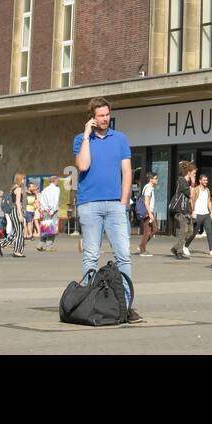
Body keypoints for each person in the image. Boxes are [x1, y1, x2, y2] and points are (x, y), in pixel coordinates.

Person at [73, 97, 140, 321]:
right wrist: (85, 136)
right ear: (92, 117)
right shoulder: (81, 139)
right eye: (100, 115)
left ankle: (125, 306)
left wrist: (123, 201)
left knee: (123, 256)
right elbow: (83, 165)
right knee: (91, 256)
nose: (105, 119)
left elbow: (127, 172)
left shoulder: (120, 139)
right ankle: (88, 304)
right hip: (89, 205)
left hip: (115, 205)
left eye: (107, 115)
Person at [170, 161, 195, 260]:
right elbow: (191, 195)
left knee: (190, 231)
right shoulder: (181, 181)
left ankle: (175, 248)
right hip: (179, 210)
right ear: (188, 172)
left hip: (186, 210)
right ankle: (179, 252)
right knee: (184, 230)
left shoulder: (185, 182)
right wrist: (193, 183)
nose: (194, 175)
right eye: (193, 173)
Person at [0, 174, 27, 258]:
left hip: (13, 211)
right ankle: (17, 251)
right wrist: (20, 215)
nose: (24, 181)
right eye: (23, 179)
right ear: (20, 179)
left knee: (15, 232)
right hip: (16, 211)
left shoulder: (13, 188)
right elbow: (18, 202)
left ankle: (1, 244)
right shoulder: (18, 189)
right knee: (19, 232)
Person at [191, 173, 212, 256]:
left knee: (209, 231)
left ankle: (211, 249)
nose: (206, 182)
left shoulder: (207, 190)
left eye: (207, 180)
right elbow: (192, 200)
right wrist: (192, 211)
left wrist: (211, 212)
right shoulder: (196, 189)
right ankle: (185, 246)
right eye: (204, 180)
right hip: (198, 213)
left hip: (206, 213)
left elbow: (209, 201)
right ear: (200, 181)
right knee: (193, 232)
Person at [137, 172, 159, 256]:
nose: (157, 180)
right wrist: (150, 213)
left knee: (154, 229)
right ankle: (142, 249)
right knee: (148, 231)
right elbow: (146, 202)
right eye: (155, 178)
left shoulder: (149, 188)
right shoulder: (148, 188)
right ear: (151, 179)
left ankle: (142, 245)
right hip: (147, 212)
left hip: (149, 211)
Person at [37, 176, 61, 251]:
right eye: (58, 180)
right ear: (54, 181)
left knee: (46, 227)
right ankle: (49, 246)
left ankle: (40, 244)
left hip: (46, 210)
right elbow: (56, 200)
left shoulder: (45, 189)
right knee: (52, 228)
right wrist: (52, 210)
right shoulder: (57, 189)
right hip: (53, 210)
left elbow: (41, 201)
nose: (58, 182)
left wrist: (46, 209)